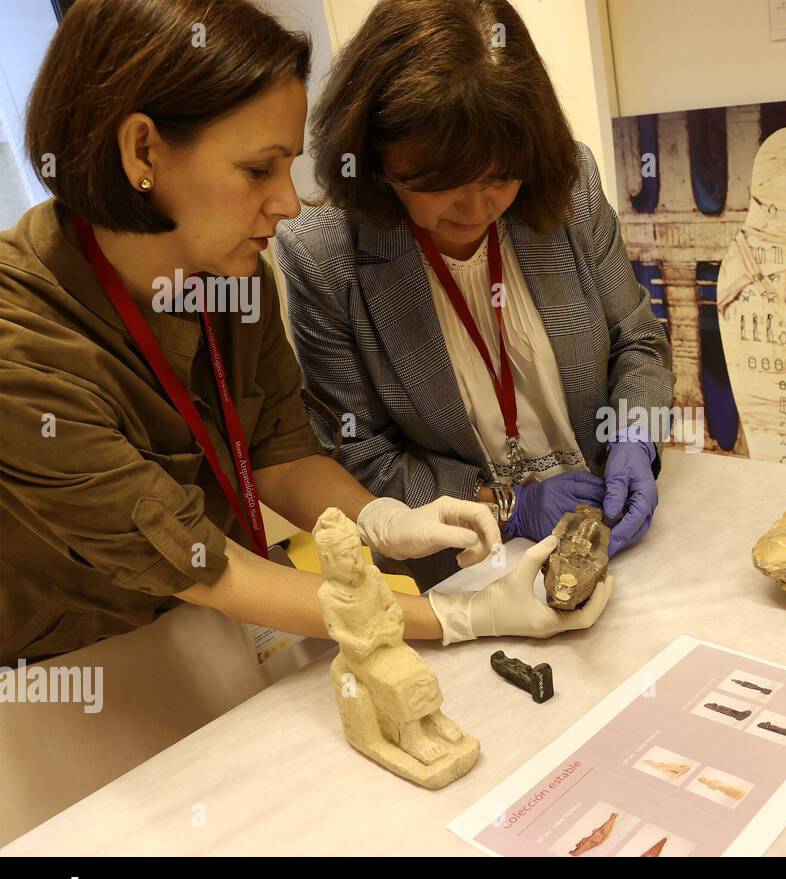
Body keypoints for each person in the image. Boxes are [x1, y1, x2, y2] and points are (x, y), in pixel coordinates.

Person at [0, 0, 610, 666]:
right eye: (259, 170)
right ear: (143, 149)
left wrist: (382, 517)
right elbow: (206, 565)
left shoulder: (229, 273)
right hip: (66, 673)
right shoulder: (22, 349)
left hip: (213, 624)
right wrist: (456, 614)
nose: (288, 202)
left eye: (290, 164)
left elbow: (279, 452)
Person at [276, 0, 674, 592]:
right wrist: (506, 503)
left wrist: (635, 435)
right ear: (378, 159)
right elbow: (362, 458)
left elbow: (637, 343)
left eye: (500, 179)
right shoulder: (327, 257)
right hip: (468, 575)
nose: (477, 209)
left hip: (615, 539)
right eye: (441, 186)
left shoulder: (569, 186)